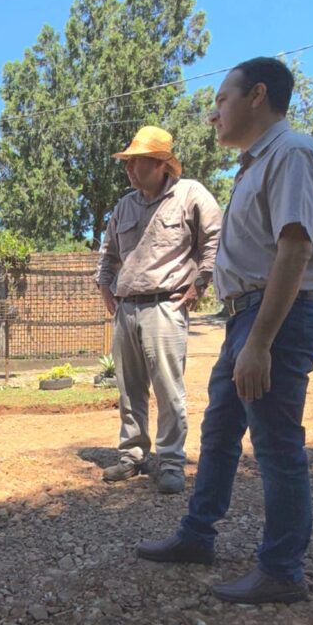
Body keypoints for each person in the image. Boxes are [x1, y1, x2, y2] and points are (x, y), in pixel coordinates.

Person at [137, 58, 313, 604]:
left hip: (277, 315)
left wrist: (262, 341)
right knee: (220, 431)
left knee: (275, 444)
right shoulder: (254, 165)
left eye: (222, 99)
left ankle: (281, 571)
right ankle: (198, 536)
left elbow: (294, 249)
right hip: (247, 314)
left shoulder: (292, 153)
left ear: (257, 96)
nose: (213, 112)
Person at [96, 126, 221, 494]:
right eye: (128, 164)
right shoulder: (125, 205)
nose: (130, 171)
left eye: (137, 163)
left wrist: (200, 282)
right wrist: (105, 285)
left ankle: (171, 461)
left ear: (162, 164)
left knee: (169, 389)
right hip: (127, 307)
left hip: (166, 305)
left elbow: (215, 239)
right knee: (129, 388)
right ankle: (132, 454)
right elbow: (108, 252)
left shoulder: (190, 194)